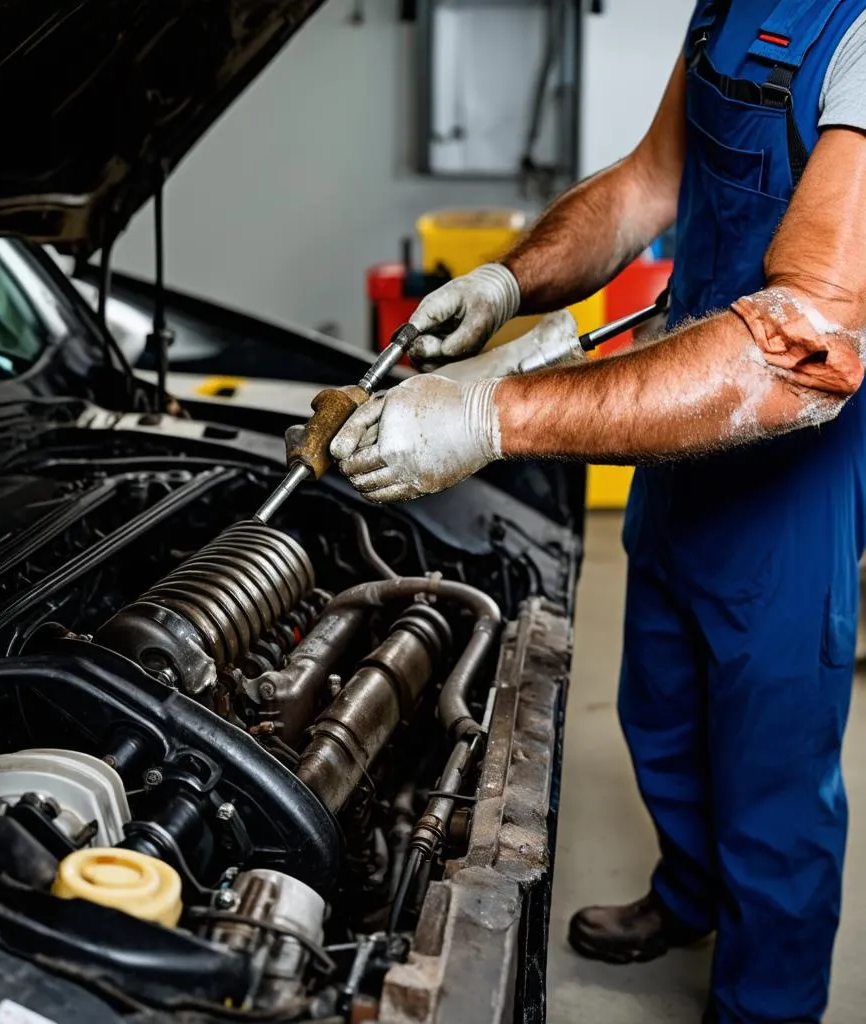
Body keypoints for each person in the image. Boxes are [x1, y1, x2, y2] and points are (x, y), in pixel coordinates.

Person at [331, 2, 866, 1022]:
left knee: (772, 768)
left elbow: (796, 349)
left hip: (789, 463)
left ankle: (764, 1004)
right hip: (673, 422)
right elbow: (645, 183)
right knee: (659, 706)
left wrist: (491, 415)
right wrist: (508, 278)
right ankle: (688, 897)